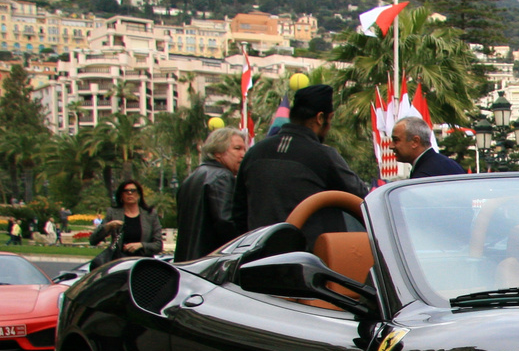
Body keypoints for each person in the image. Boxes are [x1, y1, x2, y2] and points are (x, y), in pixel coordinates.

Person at [233, 83, 368, 244]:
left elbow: (238, 213)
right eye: (330, 119)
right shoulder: (323, 156)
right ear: (320, 118)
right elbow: (362, 198)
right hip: (309, 262)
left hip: (258, 257)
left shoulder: (254, 153)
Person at [176, 127, 248, 260]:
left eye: (244, 149)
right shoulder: (222, 177)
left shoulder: (190, 179)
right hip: (209, 264)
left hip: (187, 263)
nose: (243, 154)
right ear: (217, 152)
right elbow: (226, 223)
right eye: (237, 148)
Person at [91, 180, 163, 268]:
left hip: (143, 266)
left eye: (133, 191)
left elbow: (158, 245)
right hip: (119, 265)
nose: (130, 193)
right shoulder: (113, 213)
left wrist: (141, 245)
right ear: (121, 195)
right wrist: (108, 226)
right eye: (126, 191)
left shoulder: (150, 214)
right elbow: (93, 240)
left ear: (139, 194)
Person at [390, 117, 464, 178]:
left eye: (396, 140)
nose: (391, 146)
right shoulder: (448, 164)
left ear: (415, 142)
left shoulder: (424, 176)